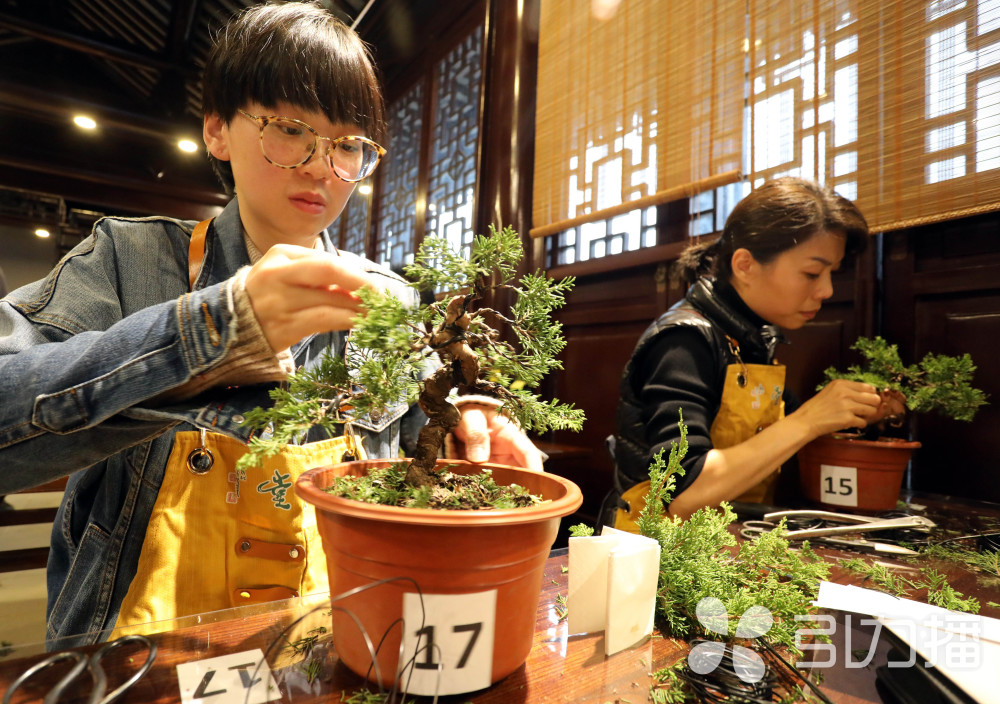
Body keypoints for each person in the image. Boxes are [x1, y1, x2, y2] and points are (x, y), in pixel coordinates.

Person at [0, 1, 540, 645]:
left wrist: (472, 418)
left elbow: (425, 448)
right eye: (290, 129)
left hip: (339, 648)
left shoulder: (389, 299)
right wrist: (209, 333)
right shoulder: (131, 259)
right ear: (218, 131)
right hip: (144, 662)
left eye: (348, 145)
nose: (321, 166)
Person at [603, 177, 895, 528]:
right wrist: (809, 419)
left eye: (832, 272)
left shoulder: (754, 336)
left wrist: (862, 411)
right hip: (653, 552)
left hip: (727, 539)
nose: (827, 290)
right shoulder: (683, 341)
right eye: (812, 272)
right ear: (745, 266)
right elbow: (683, 495)